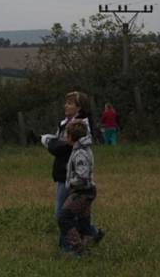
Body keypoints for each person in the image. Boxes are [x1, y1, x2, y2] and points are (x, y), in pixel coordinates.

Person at [41, 91, 103, 247]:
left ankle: (70, 246)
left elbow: (62, 147)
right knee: (79, 215)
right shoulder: (64, 123)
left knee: (63, 214)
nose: (65, 105)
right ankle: (91, 235)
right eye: (66, 102)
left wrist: (51, 143)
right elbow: (59, 144)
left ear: (79, 107)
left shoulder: (79, 127)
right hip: (64, 172)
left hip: (73, 177)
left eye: (70, 103)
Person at [57, 119, 97, 255]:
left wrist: (71, 182)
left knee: (64, 217)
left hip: (82, 192)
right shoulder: (80, 149)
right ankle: (90, 241)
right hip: (87, 191)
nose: (64, 137)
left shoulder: (79, 153)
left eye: (66, 135)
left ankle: (76, 247)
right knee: (83, 221)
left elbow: (82, 176)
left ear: (71, 137)